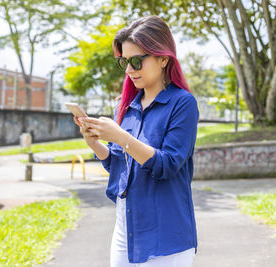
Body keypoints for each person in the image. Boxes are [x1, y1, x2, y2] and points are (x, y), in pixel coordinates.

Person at [73, 16, 199, 266]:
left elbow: (168, 164)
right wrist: (95, 143)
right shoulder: (125, 105)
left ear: (163, 58)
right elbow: (119, 163)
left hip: (167, 232)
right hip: (126, 226)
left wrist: (121, 137)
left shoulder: (183, 103)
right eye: (124, 62)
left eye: (136, 61)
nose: (129, 70)